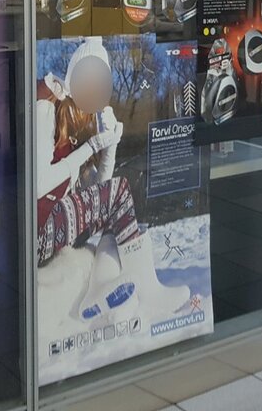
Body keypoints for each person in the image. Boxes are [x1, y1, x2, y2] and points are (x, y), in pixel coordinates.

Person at [36, 37, 189, 321]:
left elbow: (101, 196)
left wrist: (110, 146)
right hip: (37, 234)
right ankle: (149, 291)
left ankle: (100, 289)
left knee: (117, 198)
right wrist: (89, 148)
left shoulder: (79, 119)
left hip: (53, 227)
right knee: (119, 191)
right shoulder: (45, 107)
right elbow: (38, 184)